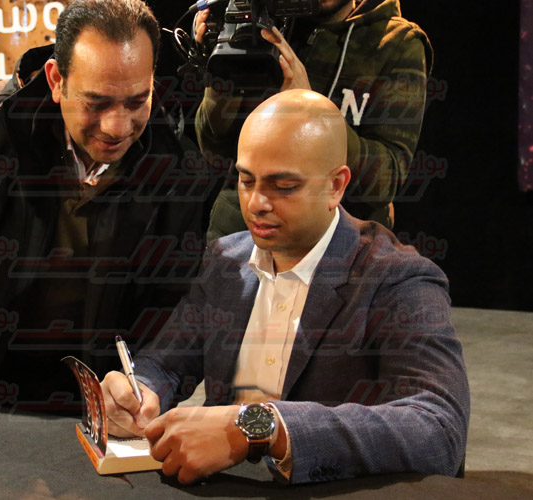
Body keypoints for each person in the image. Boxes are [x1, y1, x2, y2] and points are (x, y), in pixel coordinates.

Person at [0, 0, 214, 421]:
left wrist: (148, 382)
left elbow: (175, 304)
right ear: (56, 80)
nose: (117, 127)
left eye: (137, 101)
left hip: (104, 404)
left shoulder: (177, 166)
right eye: (96, 103)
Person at [101, 89, 469, 484]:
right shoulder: (226, 260)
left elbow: (440, 430)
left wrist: (260, 428)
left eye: (284, 186)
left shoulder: (397, 279)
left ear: (336, 186)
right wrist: (140, 391)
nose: (256, 203)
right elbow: (166, 363)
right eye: (246, 180)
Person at [195, 0, 432, 236]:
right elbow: (214, 152)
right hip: (243, 234)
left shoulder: (397, 43)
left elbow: (386, 180)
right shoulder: (265, 20)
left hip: (339, 244)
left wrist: (314, 112)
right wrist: (221, 74)